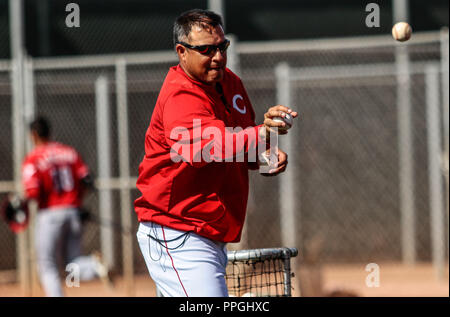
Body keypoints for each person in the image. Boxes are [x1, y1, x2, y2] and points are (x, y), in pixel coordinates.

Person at [135, 9, 298, 297]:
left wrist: (266, 154)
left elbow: (240, 148)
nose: (218, 56)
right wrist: (261, 132)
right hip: (178, 232)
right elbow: (206, 149)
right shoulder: (180, 94)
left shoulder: (230, 83)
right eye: (206, 49)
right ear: (181, 52)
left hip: (209, 232)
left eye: (222, 47)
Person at [21, 116, 111, 297]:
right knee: (72, 264)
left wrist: (19, 203)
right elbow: (88, 180)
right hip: (73, 211)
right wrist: (76, 203)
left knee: (47, 265)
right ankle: (95, 267)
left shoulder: (33, 158)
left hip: (50, 215)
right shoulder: (69, 152)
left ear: (33, 135)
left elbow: (33, 192)